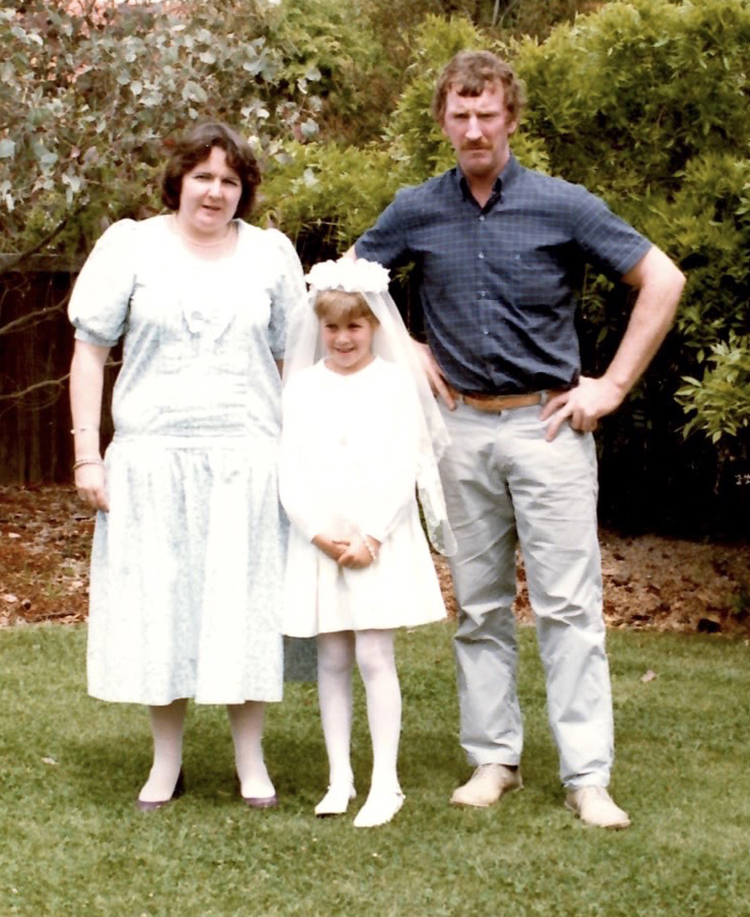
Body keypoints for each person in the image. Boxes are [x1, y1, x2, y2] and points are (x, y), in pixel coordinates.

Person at [350, 51, 686, 829]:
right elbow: (348, 281)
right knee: (479, 607)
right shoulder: (416, 208)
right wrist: (413, 351)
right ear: (444, 121)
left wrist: (612, 386)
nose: (474, 129)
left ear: (512, 118)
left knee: (570, 607)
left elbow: (661, 279)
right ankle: (493, 758)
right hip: (459, 429)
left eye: (487, 114)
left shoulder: (561, 204)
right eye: (459, 116)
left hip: (548, 427)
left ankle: (587, 775)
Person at [68, 121, 306, 811]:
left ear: (244, 191)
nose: (215, 190)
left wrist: (298, 453)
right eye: (203, 175)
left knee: (244, 607)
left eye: (230, 180)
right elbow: (89, 352)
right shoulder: (132, 247)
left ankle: (250, 761)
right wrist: (88, 453)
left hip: (247, 458)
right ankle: (164, 762)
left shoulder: (269, 256)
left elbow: (295, 358)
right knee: (159, 607)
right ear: (178, 180)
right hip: (151, 460)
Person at [278, 258, 455, 828]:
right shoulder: (302, 387)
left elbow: (406, 461)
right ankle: (339, 778)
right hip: (321, 539)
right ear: (319, 329)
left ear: (375, 325)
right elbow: (290, 468)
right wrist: (316, 533)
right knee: (330, 657)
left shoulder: (396, 384)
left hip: (377, 539)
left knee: (374, 654)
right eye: (332, 328)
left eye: (354, 326)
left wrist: (372, 536)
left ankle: (386, 782)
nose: (343, 338)